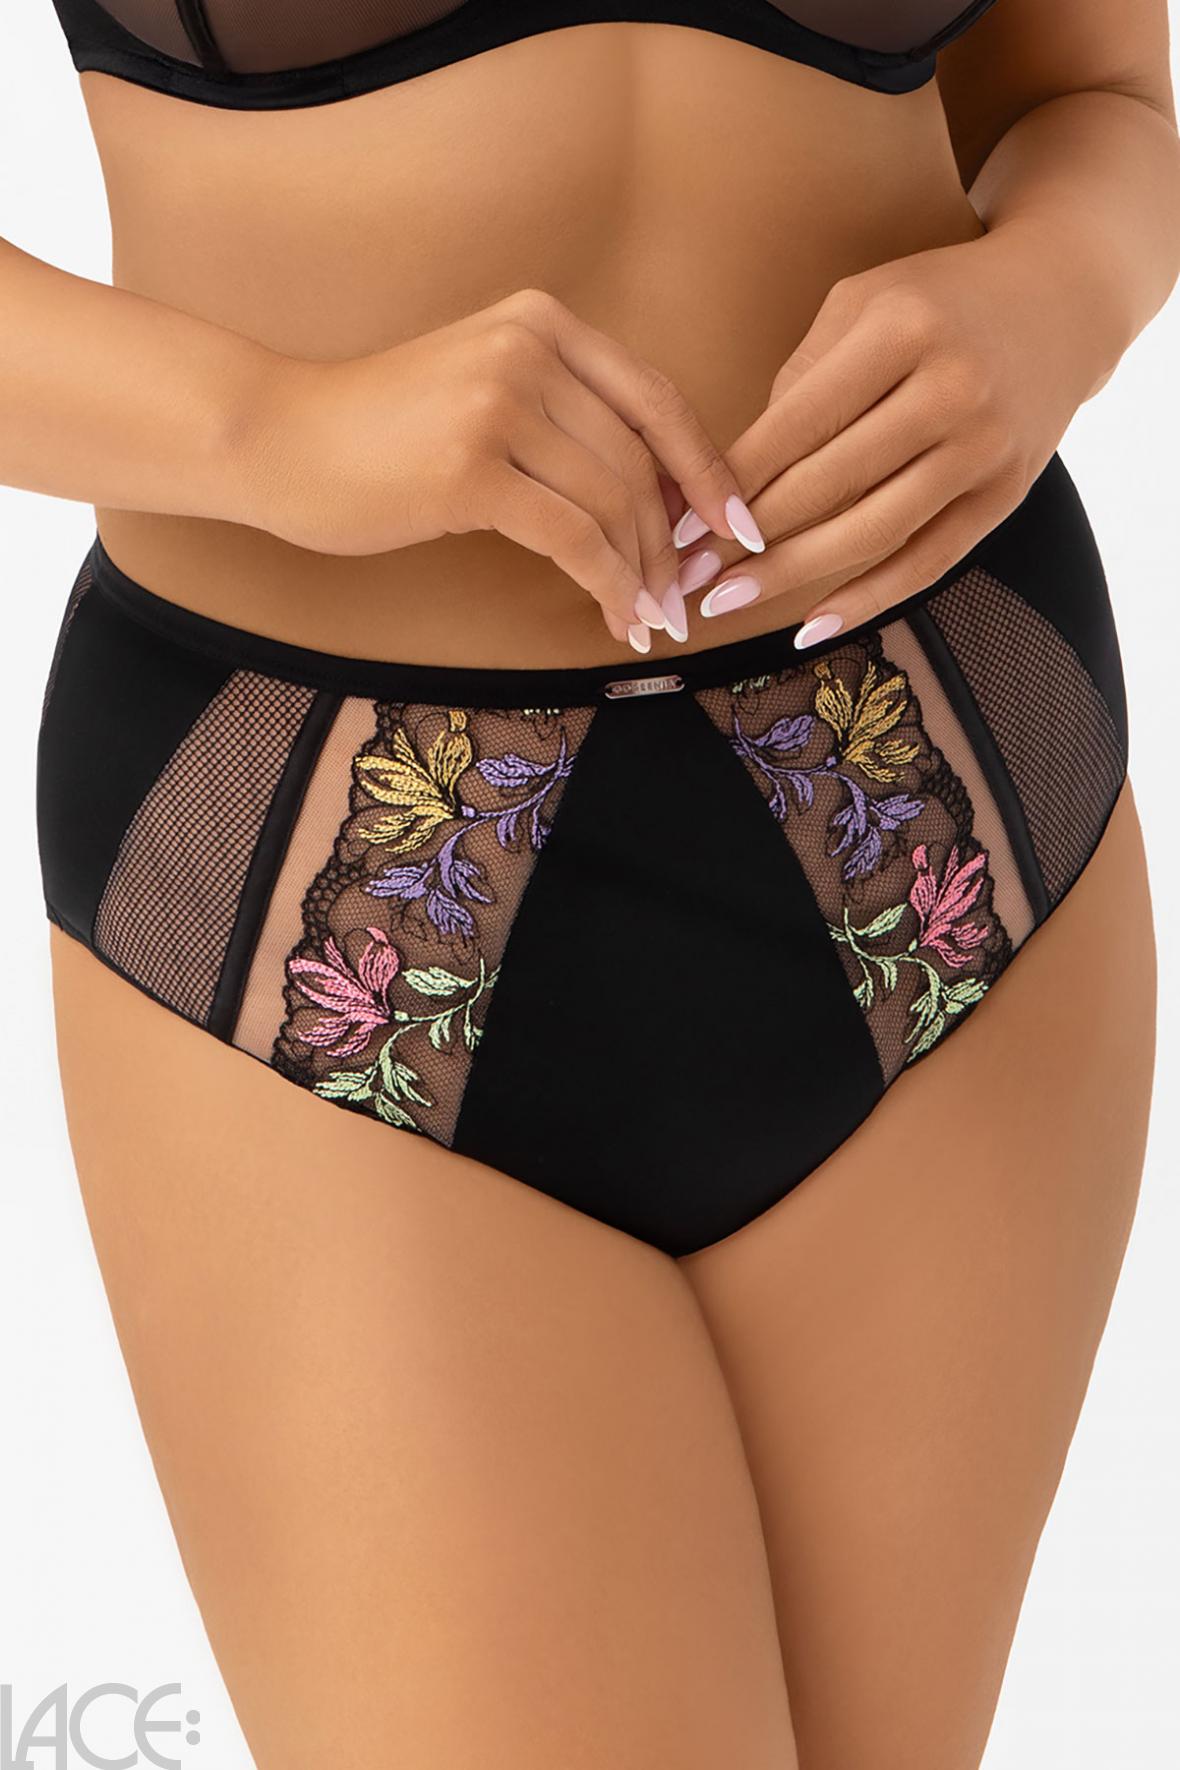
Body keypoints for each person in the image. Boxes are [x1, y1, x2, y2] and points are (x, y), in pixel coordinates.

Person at [9, 2, 1174, 1765]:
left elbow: (1094, 99)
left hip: (936, 787)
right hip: (334, 869)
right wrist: (281, 428)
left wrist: (1056, 294)